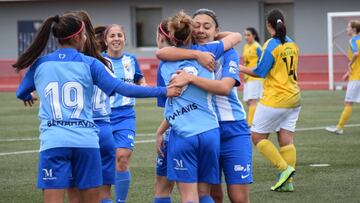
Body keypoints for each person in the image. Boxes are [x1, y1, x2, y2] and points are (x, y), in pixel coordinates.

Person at [14, 13, 181, 203]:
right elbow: (122, 88)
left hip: (54, 141)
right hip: (86, 141)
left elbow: (21, 92)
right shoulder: (91, 63)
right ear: (77, 37)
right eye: (85, 34)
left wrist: (27, 96)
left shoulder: (41, 63)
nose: (87, 38)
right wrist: (163, 91)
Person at [158, 8, 251, 203]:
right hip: (204, 128)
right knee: (211, 194)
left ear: (216, 30)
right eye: (196, 26)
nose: (201, 30)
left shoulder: (227, 52)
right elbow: (162, 52)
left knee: (238, 197)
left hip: (232, 128)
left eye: (207, 26)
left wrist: (190, 78)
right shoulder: (186, 53)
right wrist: (162, 131)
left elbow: (225, 88)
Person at [239, 9, 299, 192]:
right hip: (294, 98)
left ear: (268, 25)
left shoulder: (271, 45)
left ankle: (284, 169)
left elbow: (259, 72)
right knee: (286, 140)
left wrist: (239, 68)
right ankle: (288, 184)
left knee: (256, 137)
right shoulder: (292, 44)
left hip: (276, 99)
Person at [63, 11, 115, 203]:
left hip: (79, 131)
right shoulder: (105, 62)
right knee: (104, 196)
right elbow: (114, 90)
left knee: (76, 196)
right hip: (105, 130)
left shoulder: (69, 64)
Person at [100, 23, 146, 203]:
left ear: (125, 39)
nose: (116, 39)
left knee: (122, 158)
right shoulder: (99, 61)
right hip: (103, 116)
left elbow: (139, 77)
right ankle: (104, 199)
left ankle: (120, 201)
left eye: (120, 35)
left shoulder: (131, 60)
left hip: (126, 116)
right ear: (105, 41)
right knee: (105, 162)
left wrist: (143, 85)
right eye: (112, 36)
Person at [326, 20, 360, 135]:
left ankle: (339, 127)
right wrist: (348, 72)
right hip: (355, 75)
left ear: (354, 29)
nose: (347, 29)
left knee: (348, 102)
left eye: (348, 27)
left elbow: (356, 54)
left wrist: (350, 64)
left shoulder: (353, 40)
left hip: (356, 78)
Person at [242, 27, 263, 127]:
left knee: (253, 101)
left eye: (248, 35)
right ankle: (259, 118)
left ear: (254, 35)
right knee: (247, 101)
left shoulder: (257, 46)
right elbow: (246, 62)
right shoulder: (246, 46)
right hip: (247, 77)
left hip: (255, 77)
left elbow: (263, 60)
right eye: (245, 35)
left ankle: (250, 124)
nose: (246, 37)